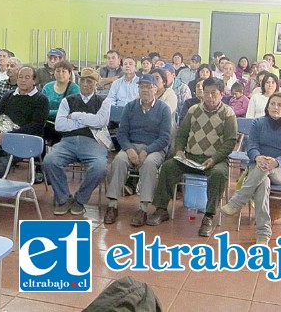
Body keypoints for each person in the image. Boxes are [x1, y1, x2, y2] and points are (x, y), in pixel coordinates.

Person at [146, 78, 237, 237]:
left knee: (219, 174)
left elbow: (230, 142)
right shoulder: (193, 109)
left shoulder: (228, 113)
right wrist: (180, 151)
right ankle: (161, 209)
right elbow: (182, 134)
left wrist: (215, 158)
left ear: (222, 94)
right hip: (190, 157)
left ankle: (208, 216)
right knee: (168, 167)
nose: (209, 97)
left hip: (215, 159)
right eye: (206, 92)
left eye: (214, 93)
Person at [221, 93, 281, 245]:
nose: (275, 107)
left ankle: (237, 202)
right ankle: (263, 234)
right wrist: (257, 157)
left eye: (279, 105)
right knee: (263, 183)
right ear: (267, 106)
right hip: (259, 166)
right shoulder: (258, 123)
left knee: (264, 170)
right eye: (272, 104)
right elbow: (251, 147)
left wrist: (275, 162)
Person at [104, 74, 171, 226]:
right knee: (119, 161)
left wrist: (146, 150)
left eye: (148, 87)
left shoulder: (163, 109)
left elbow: (165, 138)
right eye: (142, 87)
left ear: (155, 89)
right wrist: (129, 149)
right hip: (132, 146)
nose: (145, 90)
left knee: (149, 164)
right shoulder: (130, 107)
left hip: (155, 148)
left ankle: (143, 208)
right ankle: (112, 205)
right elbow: (121, 134)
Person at [43, 68, 111, 216]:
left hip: (93, 143)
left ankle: (80, 199)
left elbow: (101, 122)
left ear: (96, 84)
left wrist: (75, 115)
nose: (86, 84)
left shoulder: (104, 101)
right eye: (83, 80)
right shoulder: (68, 100)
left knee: (100, 167)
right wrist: (87, 122)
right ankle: (63, 199)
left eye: (90, 81)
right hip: (68, 141)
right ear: (78, 81)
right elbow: (59, 125)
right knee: (50, 160)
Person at [0, 66, 49, 182]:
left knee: (2, 163)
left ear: (34, 81)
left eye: (27, 77)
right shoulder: (8, 96)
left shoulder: (41, 100)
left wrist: (7, 137)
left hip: (22, 142)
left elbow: (35, 127)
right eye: (20, 77)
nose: (23, 80)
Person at [42, 60, 80, 145]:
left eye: (64, 71)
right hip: (46, 122)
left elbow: (71, 110)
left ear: (69, 74)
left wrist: (48, 112)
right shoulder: (47, 87)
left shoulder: (75, 89)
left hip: (66, 124)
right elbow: (42, 107)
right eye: (58, 71)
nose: (60, 74)